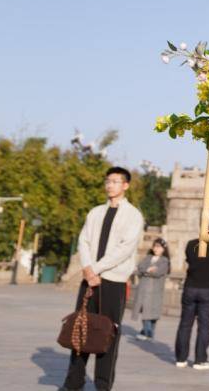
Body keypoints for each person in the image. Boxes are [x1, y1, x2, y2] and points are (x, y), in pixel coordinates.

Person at [62, 166, 145, 391]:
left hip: (113, 281)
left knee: (108, 332)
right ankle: (73, 382)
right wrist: (88, 269)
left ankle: (102, 385)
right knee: (81, 328)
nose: (110, 185)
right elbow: (83, 241)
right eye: (108, 181)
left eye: (115, 181)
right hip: (90, 280)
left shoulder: (133, 215)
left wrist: (96, 269)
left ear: (125, 185)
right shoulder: (95, 212)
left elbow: (125, 249)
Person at [175, 233, 209, 370]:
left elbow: (189, 259)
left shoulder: (191, 244)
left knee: (185, 324)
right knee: (204, 326)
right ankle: (200, 360)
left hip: (190, 287)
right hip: (207, 289)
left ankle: (181, 358)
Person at [132, 238, 170, 341]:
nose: (156, 249)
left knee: (153, 314)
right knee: (145, 312)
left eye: (159, 247)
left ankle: (148, 333)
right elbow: (139, 268)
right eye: (155, 246)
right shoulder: (148, 257)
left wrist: (146, 271)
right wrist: (148, 270)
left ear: (163, 249)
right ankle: (147, 333)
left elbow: (158, 273)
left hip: (155, 291)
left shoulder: (164, 260)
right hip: (143, 290)